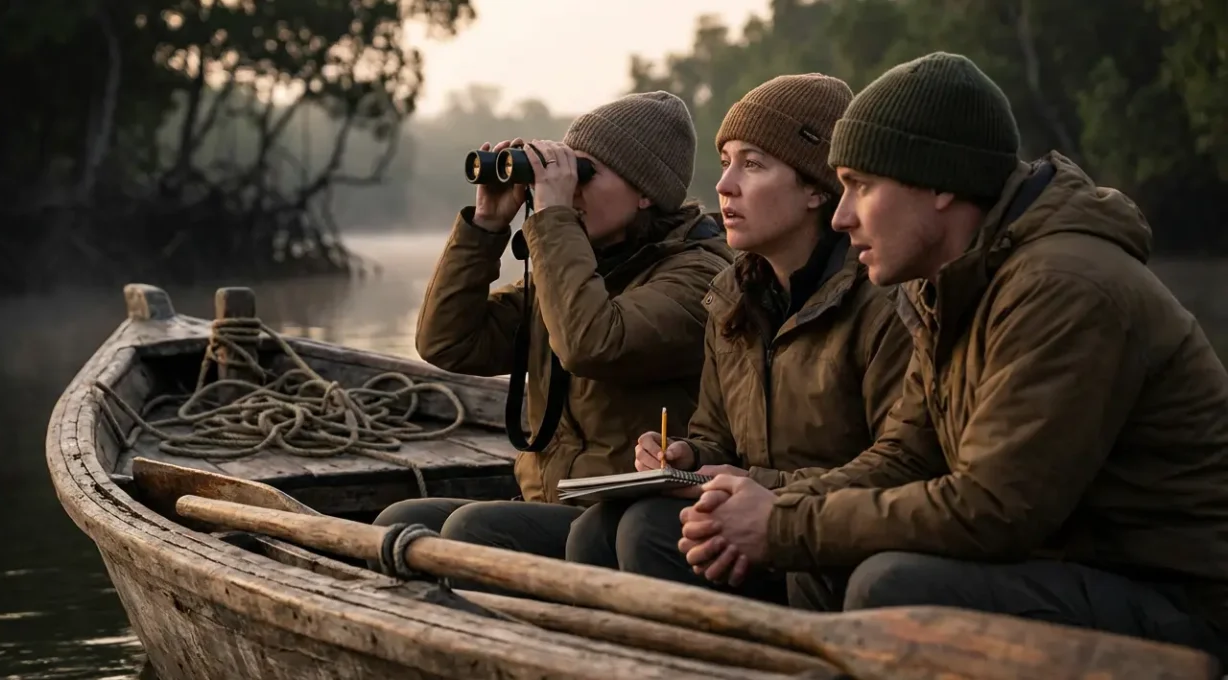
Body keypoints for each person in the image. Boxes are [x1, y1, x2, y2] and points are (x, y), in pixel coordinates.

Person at [676, 51, 1228, 662]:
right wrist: (780, 506)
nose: (841, 214)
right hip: (1065, 568)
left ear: (939, 186)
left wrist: (781, 526)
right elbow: (907, 455)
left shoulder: (1063, 287)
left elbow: (993, 509)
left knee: (890, 583)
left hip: (1176, 602)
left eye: (861, 185)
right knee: (825, 556)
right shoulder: (947, 285)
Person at [561, 74, 913, 603]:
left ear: (817, 187)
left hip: (831, 533)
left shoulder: (881, 298)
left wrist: (758, 488)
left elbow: (899, 469)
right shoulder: (734, 293)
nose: (725, 185)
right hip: (751, 515)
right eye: (726, 161)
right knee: (598, 529)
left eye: (752, 164)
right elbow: (716, 436)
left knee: (647, 530)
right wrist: (684, 455)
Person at [372, 91, 734, 574]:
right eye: (565, 174)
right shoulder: (577, 265)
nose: (570, 189)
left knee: (474, 531)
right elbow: (448, 342)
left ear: (646, 191)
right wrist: (487, 225)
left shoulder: (698, 277)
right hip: (553, 502)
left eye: (584, 174)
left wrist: (553, 220)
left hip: (622, 521)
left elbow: (592, 343)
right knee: (398, 522)